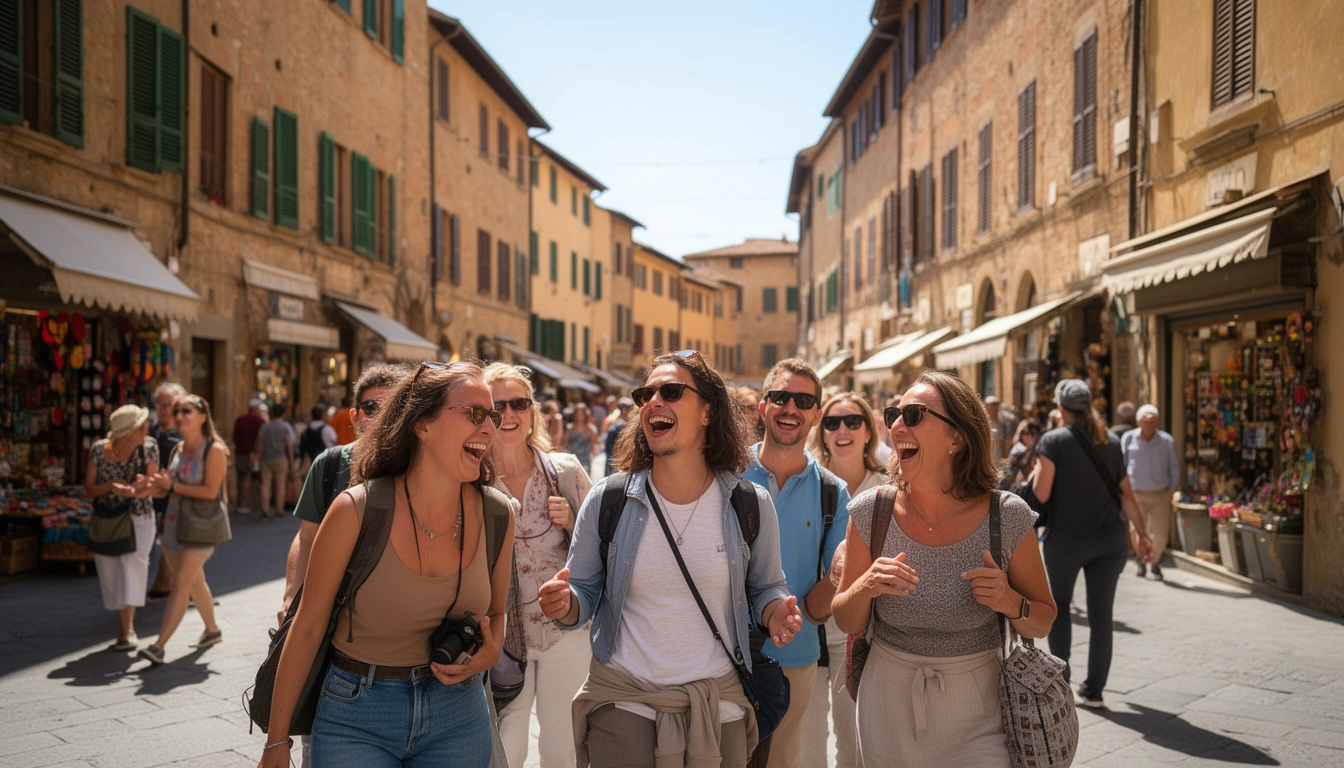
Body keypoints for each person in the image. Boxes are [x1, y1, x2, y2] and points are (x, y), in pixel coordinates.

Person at [538, 351, 803, 768]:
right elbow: (583, 591)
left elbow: (766, 587)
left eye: (672, 391)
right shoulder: (607, 500)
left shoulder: (749, 505)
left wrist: (775, 613)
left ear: (707, 413)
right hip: (624, 704)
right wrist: (566, 602)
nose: (654, 402)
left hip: (718, 708)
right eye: (647, 394)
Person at [258, 362, 513, 768]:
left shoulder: (498, 514)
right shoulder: (354, 510)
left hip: (459, 716)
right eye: (474, 414)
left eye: (493, 417)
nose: (490, 429)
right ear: (422, 425)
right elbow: (306, 627)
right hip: (356, 714)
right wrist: (276, 743)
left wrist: (491, 650)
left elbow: (497, 613)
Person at [832, 371, 1058, 767]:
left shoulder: (1005, 517)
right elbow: (844, 618)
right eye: (894, 414)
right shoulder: (872, 511)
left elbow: (1043, 621)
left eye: (914, 415)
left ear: (958, 437)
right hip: (886, 704)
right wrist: (865, 586)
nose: (896, 426)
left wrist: (1010, 601)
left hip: (979, 710)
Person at [278, 363, 411, 768]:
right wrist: (290, 597)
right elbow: (305, 537)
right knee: (317, 731)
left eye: (394, 408)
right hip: (328, 619)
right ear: (354, 416)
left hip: (395, 631)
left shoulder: (419, 467)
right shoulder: (330, 465)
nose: (381, 417)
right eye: (372, 407)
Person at [483, 363, 594, 768]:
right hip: (501, 637)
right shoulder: (469, 480)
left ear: (532, 413)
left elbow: (601, 547)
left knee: (561, 748)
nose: (509, 414)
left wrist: (571, 523)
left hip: (564, 632)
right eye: (498, 406)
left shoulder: (563, 470)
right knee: (505, 748)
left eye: (519, 404)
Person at [742, 360, 850, 768]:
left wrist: (801, 612)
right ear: (763, 406)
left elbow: (830, 590)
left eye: (804, 400)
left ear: (816, 415)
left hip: (795, 657)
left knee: (781, 762)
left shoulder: (832, 493)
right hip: (721, 651)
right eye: (781, 397)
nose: (791, 408)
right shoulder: (726, 474)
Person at [1031, 380, 1153, 709]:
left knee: (1059, 609)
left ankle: (1063, 680)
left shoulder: (1053, 441)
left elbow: (1040, 494)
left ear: (1060, 407)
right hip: (1109, 541)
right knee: (1102, 616)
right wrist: (1142, 533)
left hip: (1067, 541)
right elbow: (1126, 495)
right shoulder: (1110, 441)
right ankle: (1095, 689)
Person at [803, 393, 887, 768]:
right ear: (822, 433)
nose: (842, 430)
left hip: (859, 635)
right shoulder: (806, 482)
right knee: (806, 751)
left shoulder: (887, 490)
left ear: (868, 431)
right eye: (833, 423)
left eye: (853, 422)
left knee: (854, 748)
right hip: (805, 630)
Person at [139, 395, 229, 665]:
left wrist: (171, 487)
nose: (179, 416)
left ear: (203, 416)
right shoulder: (178, 450)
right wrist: (145, 486)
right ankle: (213, 630)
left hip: (201, 524)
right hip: (174, 522)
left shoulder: (213, 450)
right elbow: (167, 484)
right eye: (176, 411)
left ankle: (159, 645)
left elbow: (210, 491)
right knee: (194, 581)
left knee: (179, 583)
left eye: (186, 411)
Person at [86, 405, 160, 651]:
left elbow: (156, 487)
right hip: (107, 520)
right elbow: (89, 490)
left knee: (132, 568)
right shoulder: (98, 450)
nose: (146, 428)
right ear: (127, 431)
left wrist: (138, 490)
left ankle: (127, 630)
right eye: (141, 426)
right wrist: (109, 487)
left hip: (139, 516)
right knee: (111, 573)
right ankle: (124, 624)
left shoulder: (148, 448)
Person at [1121, 404, 1180, 580]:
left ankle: (1154, 562)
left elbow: (1174, 467)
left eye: (1154, 421)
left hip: (1160, 494)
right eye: (1147, 422)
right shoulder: (1128, 438)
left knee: (1161, 533)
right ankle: (1141, 560)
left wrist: (1171, 491)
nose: (1151, 425)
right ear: (1139, 422)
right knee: (1137, 531)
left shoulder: (1166, 441)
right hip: (1136, 494)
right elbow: (1121, 465)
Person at [147, 383, 185, 599]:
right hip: (153, 500)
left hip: (174, 499)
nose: (160, 409)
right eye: (157, 405)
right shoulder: (151, 432)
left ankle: (171, 586)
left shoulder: (182, 437)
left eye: (166, 405)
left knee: (170, 544)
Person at [256, 403, 296, 520]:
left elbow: (259, 444)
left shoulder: (265, 427)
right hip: (280, 458)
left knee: (265, 485)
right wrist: (291, 461)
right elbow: (289, 445)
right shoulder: (285, 427)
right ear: (283, 414)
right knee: (280, 486)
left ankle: (265, 511)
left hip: (266, 458)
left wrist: (257, 456)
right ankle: (279, 511)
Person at [232, 398, 266, 515]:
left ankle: (241, 502)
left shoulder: (240, 420)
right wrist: (255, 453)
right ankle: (246, 503)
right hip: (254, 454)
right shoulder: (260, 421)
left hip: (241, 452)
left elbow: (235, 437)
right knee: (250, 478)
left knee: (241, 478)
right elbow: (261, 440)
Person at [1004, 420, 1042, 489]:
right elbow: (1007, 472)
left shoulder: (1041, 451)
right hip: (1016, 487)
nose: (1029, 436)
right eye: (1024, 433)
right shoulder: (1017, 450)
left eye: (1033, 433)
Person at [298, 405, 337, 472]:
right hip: (328, 462)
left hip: (312, 463)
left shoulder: (306, 430)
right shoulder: (327, 429)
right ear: (323, 415)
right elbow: (335, 441)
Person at [603, 396, 635, 477]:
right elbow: (610, 451)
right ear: (624, 410)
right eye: (631, 409)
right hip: (618, 468)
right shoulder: (619, 428)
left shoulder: (620, 426)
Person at [563, 402, 598, 467]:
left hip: (585, 460)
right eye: (578, 414)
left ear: (585, 415)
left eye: (582, 414)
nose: (580, 416)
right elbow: (565, 444)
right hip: (572, 460)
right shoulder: (570, 428)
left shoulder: (591, 429)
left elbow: (593, 445)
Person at [984, 396, 1007, 464]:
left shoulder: (1003, 422)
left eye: (995, 405)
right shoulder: (982, 422)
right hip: (985, 460)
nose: (992, 408)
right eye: (989, 405)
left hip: (998, 460)